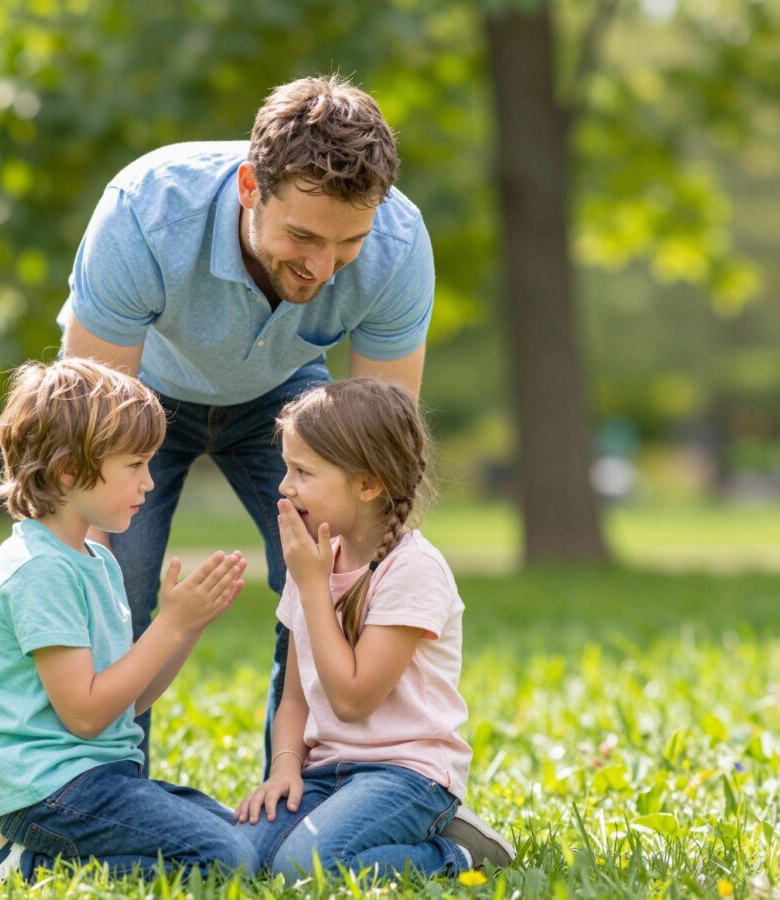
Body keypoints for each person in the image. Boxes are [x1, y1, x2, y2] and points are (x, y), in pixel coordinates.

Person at [58, 73, 507, 854]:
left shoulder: (398, 246)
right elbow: (86, 441)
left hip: (286, 394)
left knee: (333, 557)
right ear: (249, 187)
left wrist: (354, 563)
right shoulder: (144, 212)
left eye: (348, 243)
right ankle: (105, 797)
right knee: (111, 574)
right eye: (303, 237)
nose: (325, 266)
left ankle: (309, 794)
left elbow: (382, 464)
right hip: (143, 393)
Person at [0, 358, 257, 880]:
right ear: (70, 471)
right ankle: (30, 864)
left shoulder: (94, 562)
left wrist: (186, 626)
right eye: (135, 466)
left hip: (101, 779)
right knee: (226, 860)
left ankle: (45, 858)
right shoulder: (40, 571)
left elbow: (129, 700)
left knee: (243, 837)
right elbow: (85, 714)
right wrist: (167, 625)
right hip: (51, 791)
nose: (149, 482)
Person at [234, 379, 514, 878]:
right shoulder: (315, 563)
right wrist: (283, 769)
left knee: (302, 869)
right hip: (325, 771)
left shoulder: (413, 572)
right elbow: (294, 698)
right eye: (286, 468)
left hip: (407, 776)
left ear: (367, 485)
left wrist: (313, 586)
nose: (284, 486)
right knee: (238, 856)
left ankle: (463, 853)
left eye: (303, 472)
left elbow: (352, 700)